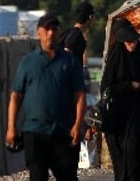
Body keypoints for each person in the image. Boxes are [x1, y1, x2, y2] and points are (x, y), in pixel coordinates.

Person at [7, 13, 87, 181]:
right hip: (34, 133)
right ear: (39, 33)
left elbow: (80, 96)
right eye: (47, 29)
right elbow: (16, 96)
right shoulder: (28, 62)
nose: (51, 33)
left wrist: (78, 125)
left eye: (54, 29)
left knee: (67, 176)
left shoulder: (70, 62)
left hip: (63, 132)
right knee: (37, 175)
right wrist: (11, 127)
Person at [102, 22, 140, 181]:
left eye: (135, 41)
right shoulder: (116, 59)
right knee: (121, 160)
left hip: (137, 115)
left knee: (135, 155)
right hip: (117, 118)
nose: (132, 45)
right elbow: (107, 88)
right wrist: (129, 85)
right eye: (128, 42)